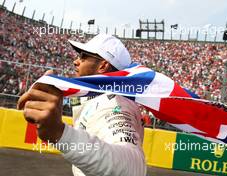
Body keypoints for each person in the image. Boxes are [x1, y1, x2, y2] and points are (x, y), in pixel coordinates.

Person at [17, 34, 147, 176]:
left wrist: (59, 133)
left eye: (83, 56)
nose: (75, 61)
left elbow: (133, 169)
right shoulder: (101, 97)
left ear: (103, 66)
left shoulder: (114, 102)